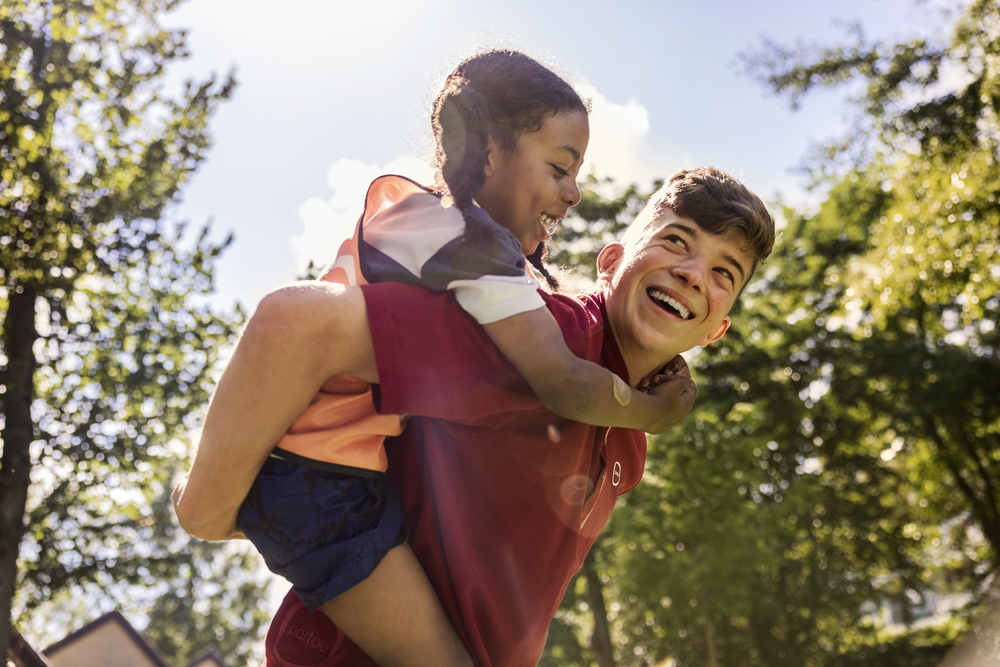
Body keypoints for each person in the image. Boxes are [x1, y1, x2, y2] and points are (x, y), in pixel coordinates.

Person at [173, 50, 694, 667]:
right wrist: (653, 412)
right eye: (559, 167)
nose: (574, 192)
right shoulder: (468, 243)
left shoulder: (431, 222)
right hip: (331, 493)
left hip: (314, 477)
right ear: (489, 146)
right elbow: (559, 379)